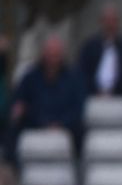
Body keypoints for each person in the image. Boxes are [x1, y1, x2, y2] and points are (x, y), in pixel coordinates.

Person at [5, 36, 86, 164]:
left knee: (81, 130)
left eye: (56, 55)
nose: (52, 59)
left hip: (66, 125)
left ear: (62, 55)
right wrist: (42, 122)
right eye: (50, 54)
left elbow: (78, 108)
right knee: (13, 125)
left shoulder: (74, 78)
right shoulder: (30, 77)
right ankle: (12, 170)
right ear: (43, 54)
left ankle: (77, 173)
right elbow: (19, 102)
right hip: (35, 122)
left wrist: (59, 124)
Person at [12, 0, 92, 83]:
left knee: (59, 60)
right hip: (35, 17)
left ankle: (59, 96)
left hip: (59, 18)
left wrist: (65, 9)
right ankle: (24, 94)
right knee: (26, 59)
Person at [78, 3, 122, 97]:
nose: (110, 24)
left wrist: (114, 91)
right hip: (93, 96)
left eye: (113, 20)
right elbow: (82, 74)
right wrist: (96, 91)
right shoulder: (90, 47)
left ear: (118, 22)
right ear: (101, 22)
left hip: (120, 98)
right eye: (107, 20)